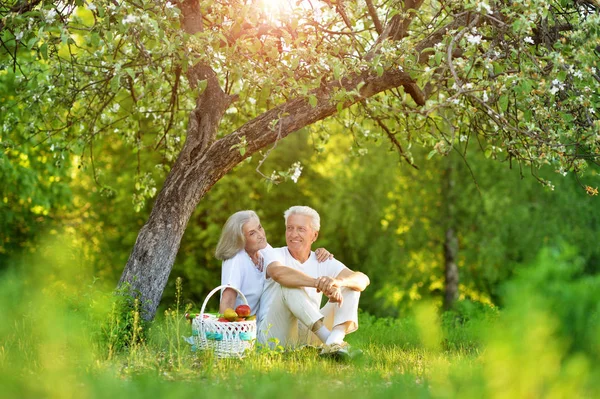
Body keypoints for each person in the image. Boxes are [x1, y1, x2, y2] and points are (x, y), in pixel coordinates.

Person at [258, 206, 370, 359]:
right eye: (289, 228)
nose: (293, 234)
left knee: (351, 287)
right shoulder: (275, 254)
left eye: (301, 229)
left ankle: (334, 341)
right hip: (273, 334)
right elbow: (278, 273)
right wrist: (318, 283)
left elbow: (363, 279)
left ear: (314, 236)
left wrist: (337, 282)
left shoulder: (322, 260)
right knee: (288, 285)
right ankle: (331, 343)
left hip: (308, 335)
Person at [215, 210, 332, 316]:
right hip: (244, 330)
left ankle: (330, 335)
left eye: (259, 228)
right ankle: (324, 335)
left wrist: (315, 253)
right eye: (252, 233)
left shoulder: (263, 250)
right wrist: (227, 334)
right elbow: (227, 301)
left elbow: (289, 263)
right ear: (240, 239)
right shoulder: (235, 259)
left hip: (264, 322)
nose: (260, 235)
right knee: (287, 288)